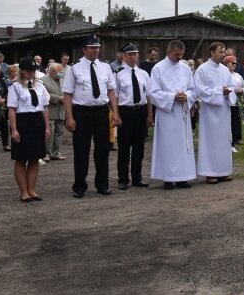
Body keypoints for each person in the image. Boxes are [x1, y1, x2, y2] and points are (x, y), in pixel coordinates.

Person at [62, 35, 121, 198]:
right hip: (82, 112)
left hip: (102, 111)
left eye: (97, 47)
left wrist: (115, 112)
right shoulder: (74, 68)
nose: (96, 50)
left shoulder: (105, 67)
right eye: (92, 47)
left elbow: (111, 91)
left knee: (103, 150)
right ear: (84, 49)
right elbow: (67, 94)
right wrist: (69, 116)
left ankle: (102, 184)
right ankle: (79, 186)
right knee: (81, 150)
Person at [149, 40, 196, 189]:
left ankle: (183, 177)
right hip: (167, 112)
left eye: (181, 54)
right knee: (168, 145)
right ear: (169, 52)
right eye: (177, 54)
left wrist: (186, 96)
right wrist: (172, 96)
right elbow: (153, 93)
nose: (179, 57)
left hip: (182, 111)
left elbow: (193, 89)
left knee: (183, 145)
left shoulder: (185, 68)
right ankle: (168, 178)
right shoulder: (158, 68)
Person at [7, 57, 50, 202]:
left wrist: (47, 126)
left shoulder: (40, 85)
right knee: (21, 158)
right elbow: (12, 109)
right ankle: (23, 191)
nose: (31, 73)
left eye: (33, 71)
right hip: (22, 122)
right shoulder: (15, 87)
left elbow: (44, 107)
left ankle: (31, 189)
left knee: (34, 158)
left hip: (37, 121)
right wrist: (13, 129)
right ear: (22, 71)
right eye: (29, 71)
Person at [195, 43, 235, 184]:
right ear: (212, 52)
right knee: (210, 141)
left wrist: (230, 91)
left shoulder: (225, 70)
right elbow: (199, 90)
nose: (223, 54)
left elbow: (232, 85)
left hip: (223, 109)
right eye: (220, 51)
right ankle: (210, 172)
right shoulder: (202, 69)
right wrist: (219, 91)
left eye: (224, 51)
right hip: (210, 111)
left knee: (223, 140)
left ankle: (223, 171)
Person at [113, 44, 152, 189]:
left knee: (139, 147)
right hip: (125, 111)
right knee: (124, 147)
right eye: (129, 54)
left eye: (135, 54)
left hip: (140, 111)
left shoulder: (143, 74)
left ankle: (137, 177)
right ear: (123, 56)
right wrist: (116, 115)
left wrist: (149, 115)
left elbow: (148, 97)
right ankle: (123, 179)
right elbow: (114, 98)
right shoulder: (117, 73)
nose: (132, 57)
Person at [41, 63, 66, 161]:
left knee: (59, 132)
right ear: (53, 72)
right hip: (50, 109)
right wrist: (58, 98)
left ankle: (56, 152)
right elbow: (43, 95)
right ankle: (47, 153)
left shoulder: (63, 80)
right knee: (49, 132)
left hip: (61, 110)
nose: (61, 73)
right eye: (60, 71)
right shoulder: (43, 80)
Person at [224, 55, 244, 150]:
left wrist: (241, 90)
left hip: (236, 102)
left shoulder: (238, 75)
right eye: (233, 63)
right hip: (226, 103)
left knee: (235, 122)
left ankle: (234, 141)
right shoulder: (223, 74)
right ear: (227, 63)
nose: (235, 65)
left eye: (236, 63)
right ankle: (227, 142)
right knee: (228, 122)